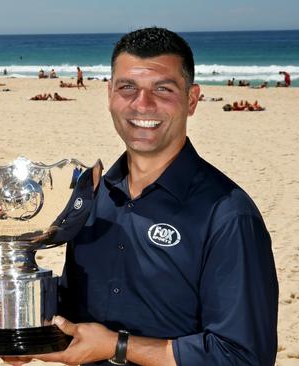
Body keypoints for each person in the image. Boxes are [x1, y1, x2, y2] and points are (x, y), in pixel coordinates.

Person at [32, 27, 278, 366]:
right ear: (109, 95)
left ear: (192, 99)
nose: (142, 104)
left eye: (162, 89)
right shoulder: (91, 196)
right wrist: (18, 327)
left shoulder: (229, 215)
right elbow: (74, 307)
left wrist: (118, 346)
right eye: (127, 87)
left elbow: (242, 355)